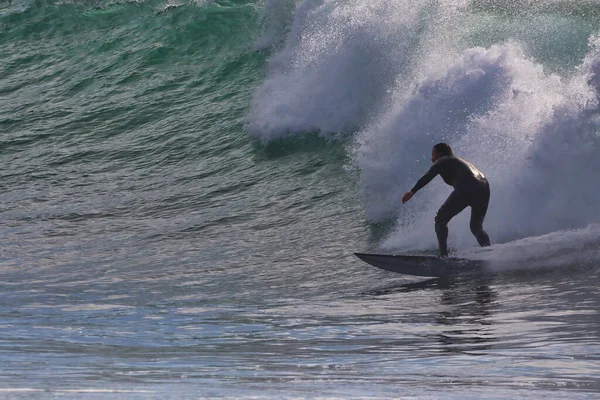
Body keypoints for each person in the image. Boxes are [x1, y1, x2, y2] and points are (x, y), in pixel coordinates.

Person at [402, 143, 491, 257]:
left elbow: (428, 176)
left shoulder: (442, 160)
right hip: (484, 187)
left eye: (433, 154)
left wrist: (412, 191)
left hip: (468, 187)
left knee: (440, 220)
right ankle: (489, 252)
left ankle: (443, 257)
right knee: (476, 227)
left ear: (439, 153)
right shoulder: (457, 161)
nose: (431, 158)